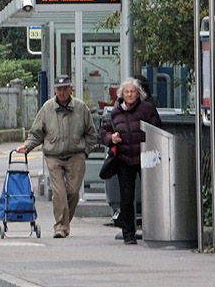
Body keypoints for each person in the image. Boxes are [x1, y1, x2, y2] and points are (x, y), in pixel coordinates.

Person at [17, 75, 97, 238]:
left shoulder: (81, 108)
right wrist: (27, 146)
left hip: (76, 155)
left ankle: (65, 221)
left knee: (73, 192)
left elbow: (91, 133)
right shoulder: (47, 108)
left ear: (70, 89)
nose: (62, 92)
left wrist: (85, 152)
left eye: (65, 89)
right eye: (59, 89)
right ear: (55, 90)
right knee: (59, 192)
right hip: (54, 156)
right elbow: (36, 133)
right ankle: (60, 227)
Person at [100, 77, 162, 244]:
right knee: (126, 198)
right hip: (124, 158)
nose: (129, 94)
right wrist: (111, 138)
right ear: (122, 94)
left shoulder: (147, 109)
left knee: (151, 195)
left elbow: (157, 128)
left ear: (138, 93)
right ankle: (128, 234)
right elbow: (104, 132)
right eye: (126, 92)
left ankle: (155, 230)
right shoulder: (115, 112)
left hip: (145, 157)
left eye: (132, 92)